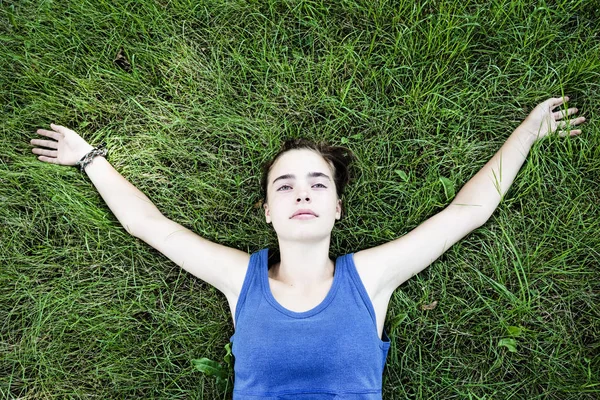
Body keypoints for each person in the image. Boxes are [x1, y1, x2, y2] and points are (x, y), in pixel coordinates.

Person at [30, 97, 585, 399]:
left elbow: (466, 213)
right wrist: (89, 159)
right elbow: (151, 226)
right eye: (285, 185)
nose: (302, 193)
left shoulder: (368, 278)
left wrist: (530, 130)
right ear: (267, 211)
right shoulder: (239, 279)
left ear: (337, 209)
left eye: (318, 183)